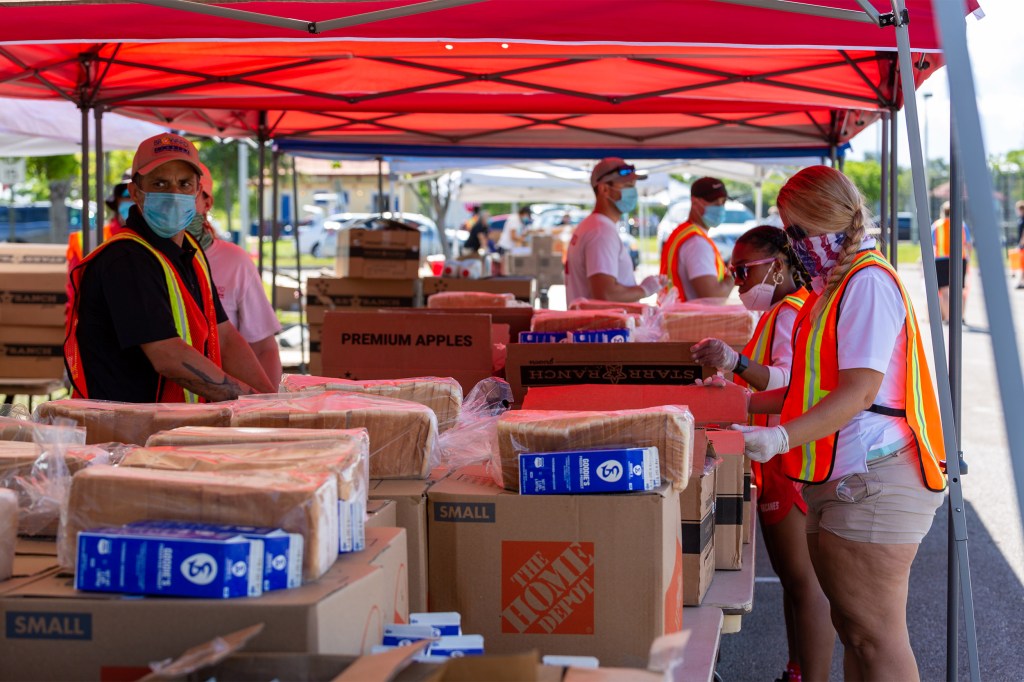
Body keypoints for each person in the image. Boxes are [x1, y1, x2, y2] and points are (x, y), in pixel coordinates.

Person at [733, 166, 946, 681]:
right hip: (845, 476)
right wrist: (736, 411)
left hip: (876, 477)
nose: (794, 245)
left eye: (797, 232)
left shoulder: (867, 282)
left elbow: (859, 391)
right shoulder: (834, 287)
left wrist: (780, 436)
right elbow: (810, 389)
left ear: (829, 222)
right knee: (855, 632)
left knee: (874, 638)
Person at [691, 226, 833, 682]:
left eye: (743, 270)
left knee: (804, 581)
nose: (736, 282)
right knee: (794, 582)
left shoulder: (793, 312)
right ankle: (797, 670)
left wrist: (736, 368)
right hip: (774, 455)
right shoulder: (779, 313)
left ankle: (808, 676)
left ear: (777, 263)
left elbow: (790, 386)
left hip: (789, 456)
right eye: (732, 271)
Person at [65, 133, 276, 403]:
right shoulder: (125, 259)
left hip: (168, 430)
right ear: (135, 193)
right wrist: (248, 400)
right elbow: (168, 356)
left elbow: (224, 336)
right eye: (160, 183)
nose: (174, 193)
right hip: (121, 435)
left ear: (198, 191)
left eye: (184, 183)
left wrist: (268, 400)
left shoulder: (190, 251)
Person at [186, 163, 283, 386]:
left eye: (187, 189)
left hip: (224, 407)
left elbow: (263, 348)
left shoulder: (234, 261)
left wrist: (267, 407)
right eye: (163, 188)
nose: (175, 200)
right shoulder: (139, 261)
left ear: (207, 202)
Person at [564, 157, 662, 302]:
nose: (633, 193)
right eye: (627, 186)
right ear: (604, 189)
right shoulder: (600, 232)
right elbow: (606, 294)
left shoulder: (593, 226)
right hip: (602, 324)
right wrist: (644, 290)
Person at [65, 180, 133, 319]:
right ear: (116, 201)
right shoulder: (86, 240)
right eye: (127, 194)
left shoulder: (163, 241)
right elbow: (75, 296)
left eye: (140, 193)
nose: (134, 199)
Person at [659, 176, 735, 301]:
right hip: (689, 318)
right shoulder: (696, 243)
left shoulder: (683, 232)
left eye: (723, 202)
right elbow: (712, 297)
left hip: (677, 315)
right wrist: (733, 274)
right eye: (714, 202)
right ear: (694, 202)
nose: (720, 207)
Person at [931, 201, 972, 320]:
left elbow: (931, 244)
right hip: (959, 259)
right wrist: (969, 258)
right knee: (959, 290)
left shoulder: (936, 225)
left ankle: (949, 318)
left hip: (941, 260)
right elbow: (968, 244)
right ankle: (961, 317)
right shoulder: (961, 225)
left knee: (944, 291)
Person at [1015, 200, 1024, 287]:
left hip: (1023, 244)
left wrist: (1021, 243)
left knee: (1022, 264)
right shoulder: (1020, 219)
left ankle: (1020, 282)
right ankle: (1021, 281)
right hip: (1021, 244)